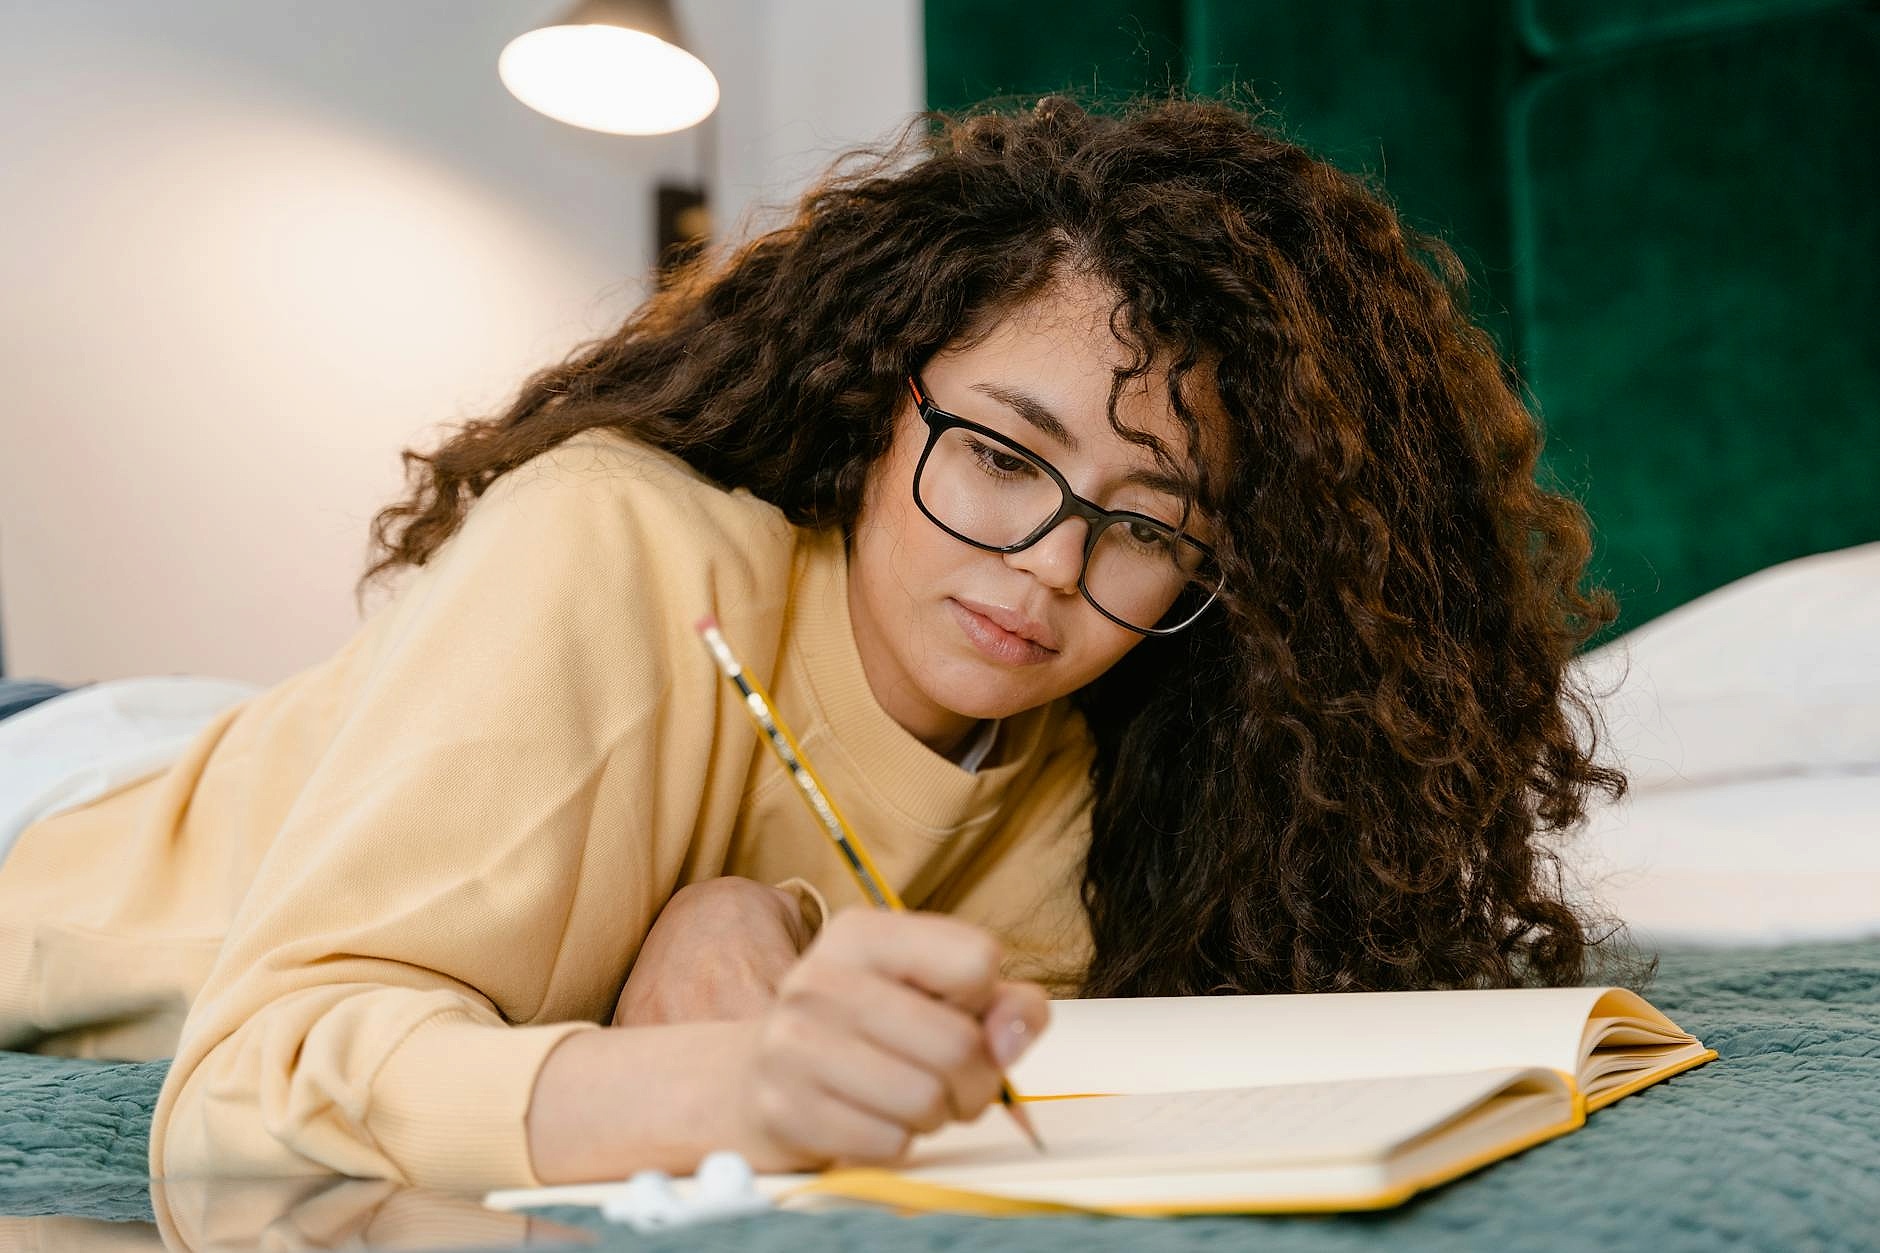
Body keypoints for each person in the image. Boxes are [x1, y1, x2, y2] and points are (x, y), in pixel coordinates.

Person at [0, 92, 1645, 1193]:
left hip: (278, 736)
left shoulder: (1099, 808)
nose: (1046, 570)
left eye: (1147, 528)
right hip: (64, 797)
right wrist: (726, 1091)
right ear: (876, 404)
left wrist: (734, 916)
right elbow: (246, 1083)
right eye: (998, 454)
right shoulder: (615, 540)